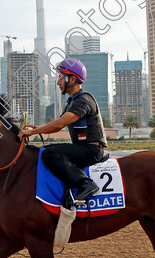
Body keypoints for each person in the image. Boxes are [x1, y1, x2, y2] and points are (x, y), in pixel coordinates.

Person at [18, 58, 107, 202]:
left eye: (60, 77)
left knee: (49, 154)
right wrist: (36, 128)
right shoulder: (73, 101)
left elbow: (59, 125)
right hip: (82, 149)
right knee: (44, 150)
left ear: (72, 79)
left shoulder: (84, 100)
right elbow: (57, 125)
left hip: (92, 151)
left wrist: (31, 132)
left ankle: (85, 183)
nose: (58, 82)